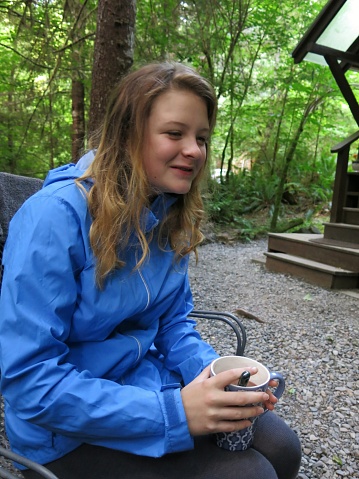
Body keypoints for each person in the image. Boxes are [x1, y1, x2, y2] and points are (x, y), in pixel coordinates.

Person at [0, 62, 301, 479]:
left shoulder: (166, 213)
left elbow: (173, 324)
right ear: (127, 135)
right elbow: (29, 382)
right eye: (175, 133)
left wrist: (221, 379)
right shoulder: (52, 219)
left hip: (142, 384)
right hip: (63, 433)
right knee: (248, 474)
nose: (194, 150)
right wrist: (175, 413)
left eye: (201, 138)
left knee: (283, 448)